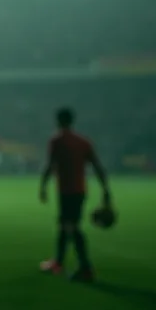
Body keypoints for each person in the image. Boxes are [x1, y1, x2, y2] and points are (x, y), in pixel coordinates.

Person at [39, 107, 111, 282]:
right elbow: (97, 166)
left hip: (66, 190)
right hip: (79, 190)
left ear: (58, 121)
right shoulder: (83, 142)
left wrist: (43, 186)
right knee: (64, 225)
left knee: (72, 227)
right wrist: (105, 189)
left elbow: (50, 165)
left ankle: (86, 268)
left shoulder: (56, 141)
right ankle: (59, 262)